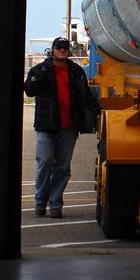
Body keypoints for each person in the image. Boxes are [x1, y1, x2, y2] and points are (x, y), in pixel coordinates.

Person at [24, 36, 100, 219]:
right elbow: (29, 90)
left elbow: (86, 95)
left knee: (63, 167)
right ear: (52, 50)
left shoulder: (76, 71)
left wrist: (98, 111)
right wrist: (42, 72)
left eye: (65, 48)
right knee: (45, 161)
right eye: (59, 47)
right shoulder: (41, 69)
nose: (62, 50)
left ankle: (55, 204)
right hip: (46, 125)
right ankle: (40, 201)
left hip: (69, 127)